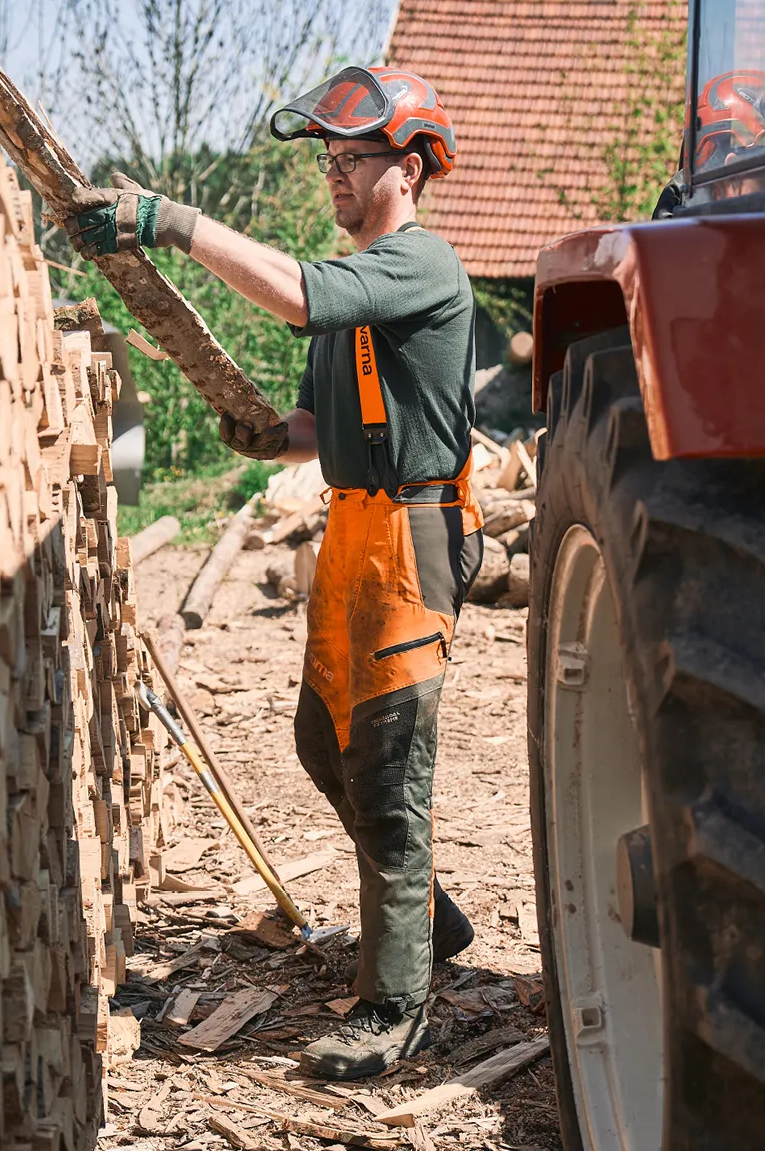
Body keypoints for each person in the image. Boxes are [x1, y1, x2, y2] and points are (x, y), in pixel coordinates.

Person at [64, 65, 484, 1080]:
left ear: (412, 166)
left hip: (410, 534)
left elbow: (297, 294)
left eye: (355, 160)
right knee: (320, 739)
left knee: (387, 773)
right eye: (331, 162)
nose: (337, 178)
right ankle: (424, 913)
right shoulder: (354, 292)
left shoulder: (416, 265)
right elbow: (321, 425)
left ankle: (394, 1003)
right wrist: (270, 433)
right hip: (348, 530)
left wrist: (171, 220)